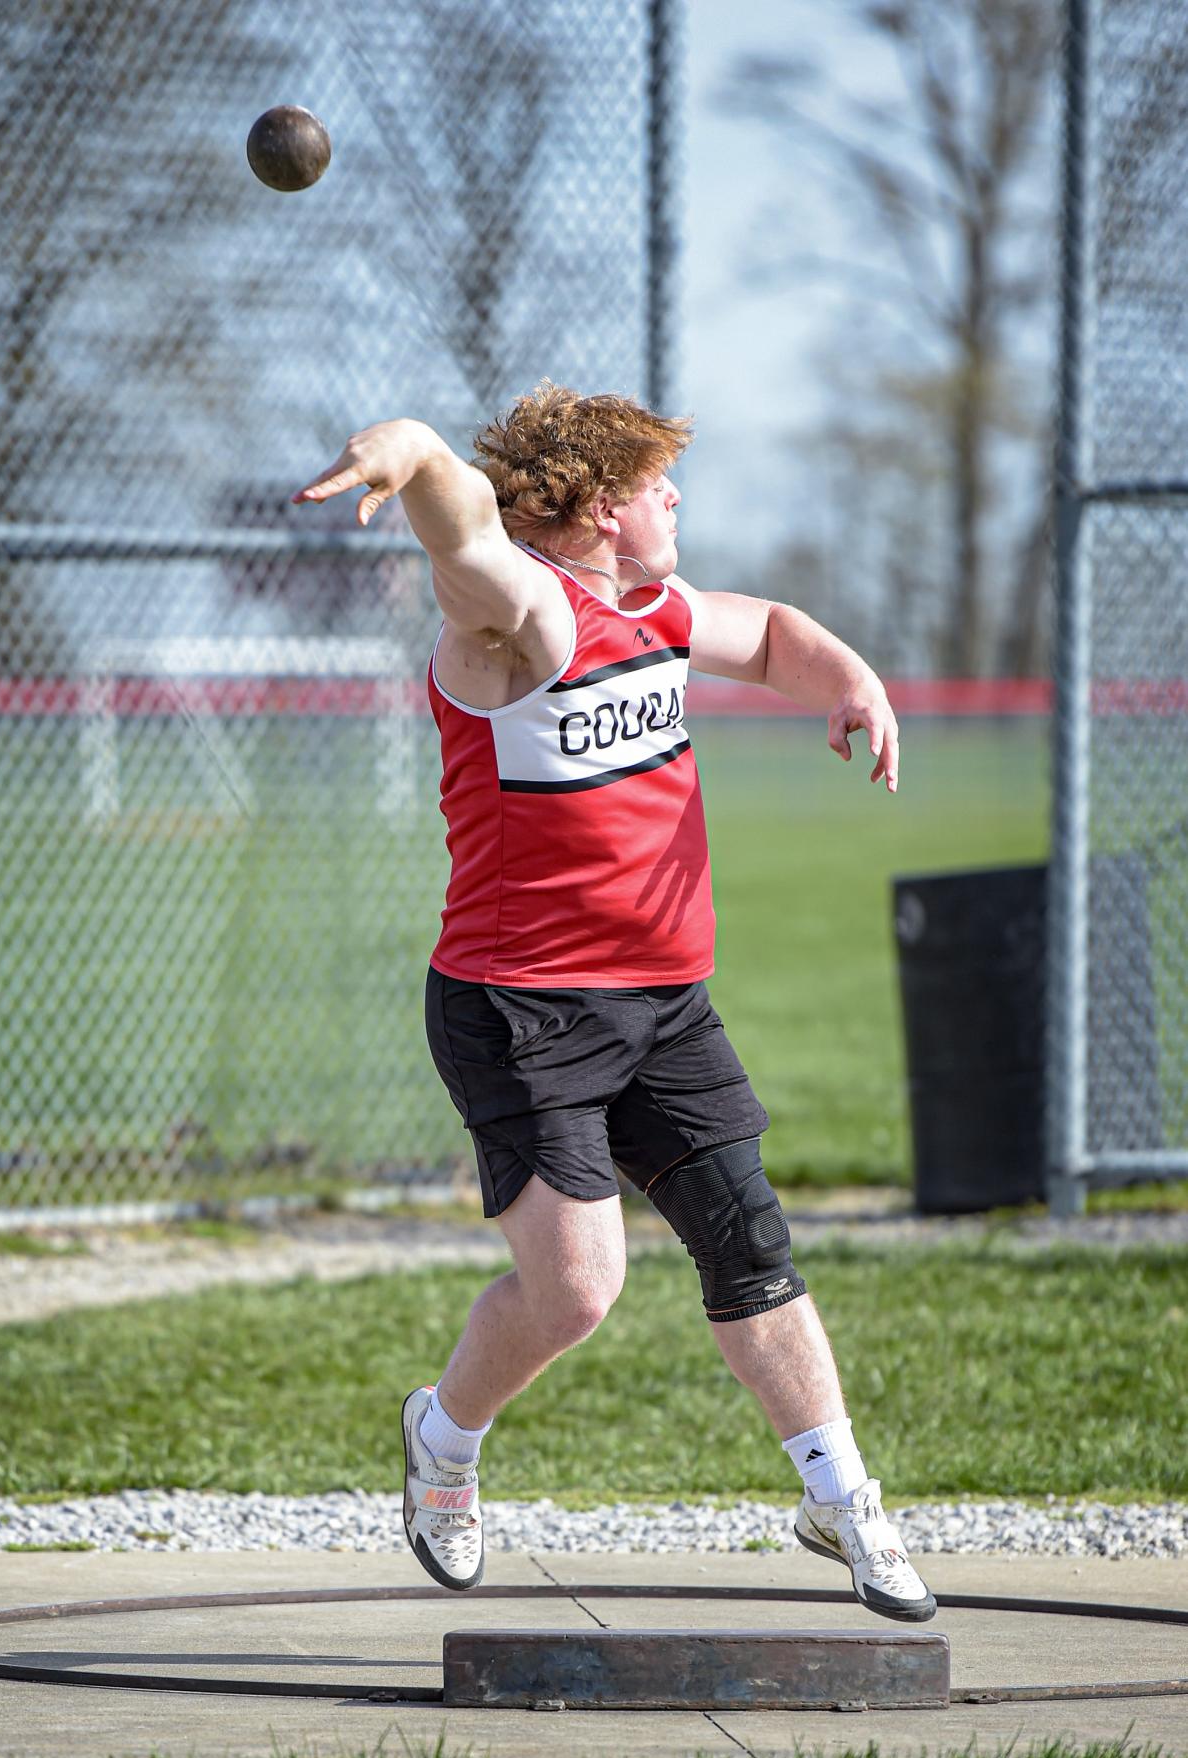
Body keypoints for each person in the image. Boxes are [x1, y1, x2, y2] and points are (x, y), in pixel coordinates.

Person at [293, 382, 934, 1623]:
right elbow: (463, 535)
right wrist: (418, 452)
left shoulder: (663, 608)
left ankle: (840, 1497)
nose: (677, 497)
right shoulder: (523, 618)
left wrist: (853, 679)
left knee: (748, 1242)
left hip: (666, 1004)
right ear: (595, 510)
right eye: (654, 486)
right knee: (579, 1291)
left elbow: (776, 634)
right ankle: (442, 1440)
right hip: (519, 1007)